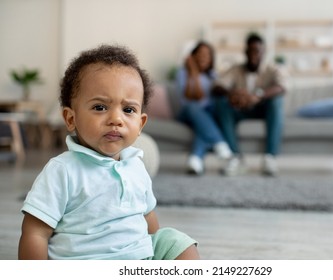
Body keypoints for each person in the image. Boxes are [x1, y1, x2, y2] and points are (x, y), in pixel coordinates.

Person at [18, 44, 200, 260]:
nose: (116, 119)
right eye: (100, 107)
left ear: (140, 124)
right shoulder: (63, 170)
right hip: (87, 261)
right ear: (70, 118)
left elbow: (148, 217)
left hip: (136, 258)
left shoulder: (136, 165)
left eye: (128, 110)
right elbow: (35, 233)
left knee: (176, 242)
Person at [213, 34, 287, 176]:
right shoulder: (236, 69)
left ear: (263, 52)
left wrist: (258, 96)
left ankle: (269, 157)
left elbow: (282, 86)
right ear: (245, 52)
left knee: (277, 101)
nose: (254, 54)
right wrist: (233, 94)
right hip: (241, 109)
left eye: (257, 50)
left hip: (263, 109)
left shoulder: (272, 69)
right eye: (250, 50)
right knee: (221, 103)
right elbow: (217, 86)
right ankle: (235, 157)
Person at [176, 41, 232, 175]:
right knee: (194, 106)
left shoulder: (213, 76)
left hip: (206, 116)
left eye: (207, 55)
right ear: (193, 56)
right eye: (200, 54)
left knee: (203, 124)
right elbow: (192, 96)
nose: (203, 57)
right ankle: (220, 144)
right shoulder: (183, 73)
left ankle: (195, 160)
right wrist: (194, 72)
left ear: (211, 59)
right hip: (188, 112)